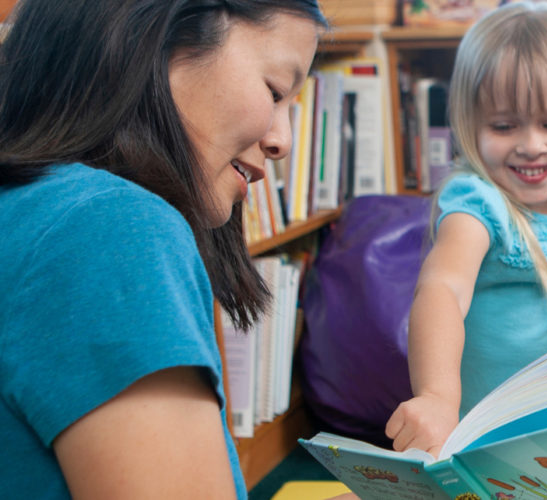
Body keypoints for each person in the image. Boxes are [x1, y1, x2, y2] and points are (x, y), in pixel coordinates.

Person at [0, 0, 325, 498]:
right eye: (275, 90)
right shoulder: (106, 228)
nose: (282, 141)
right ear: (159, 37)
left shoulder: (31, 208)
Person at [385, 1, 547, 456]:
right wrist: (437, 399)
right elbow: (442, 291)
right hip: (483, 440)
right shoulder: (478, 204)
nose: (531, 146)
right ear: (470, 123)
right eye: (504, 126)